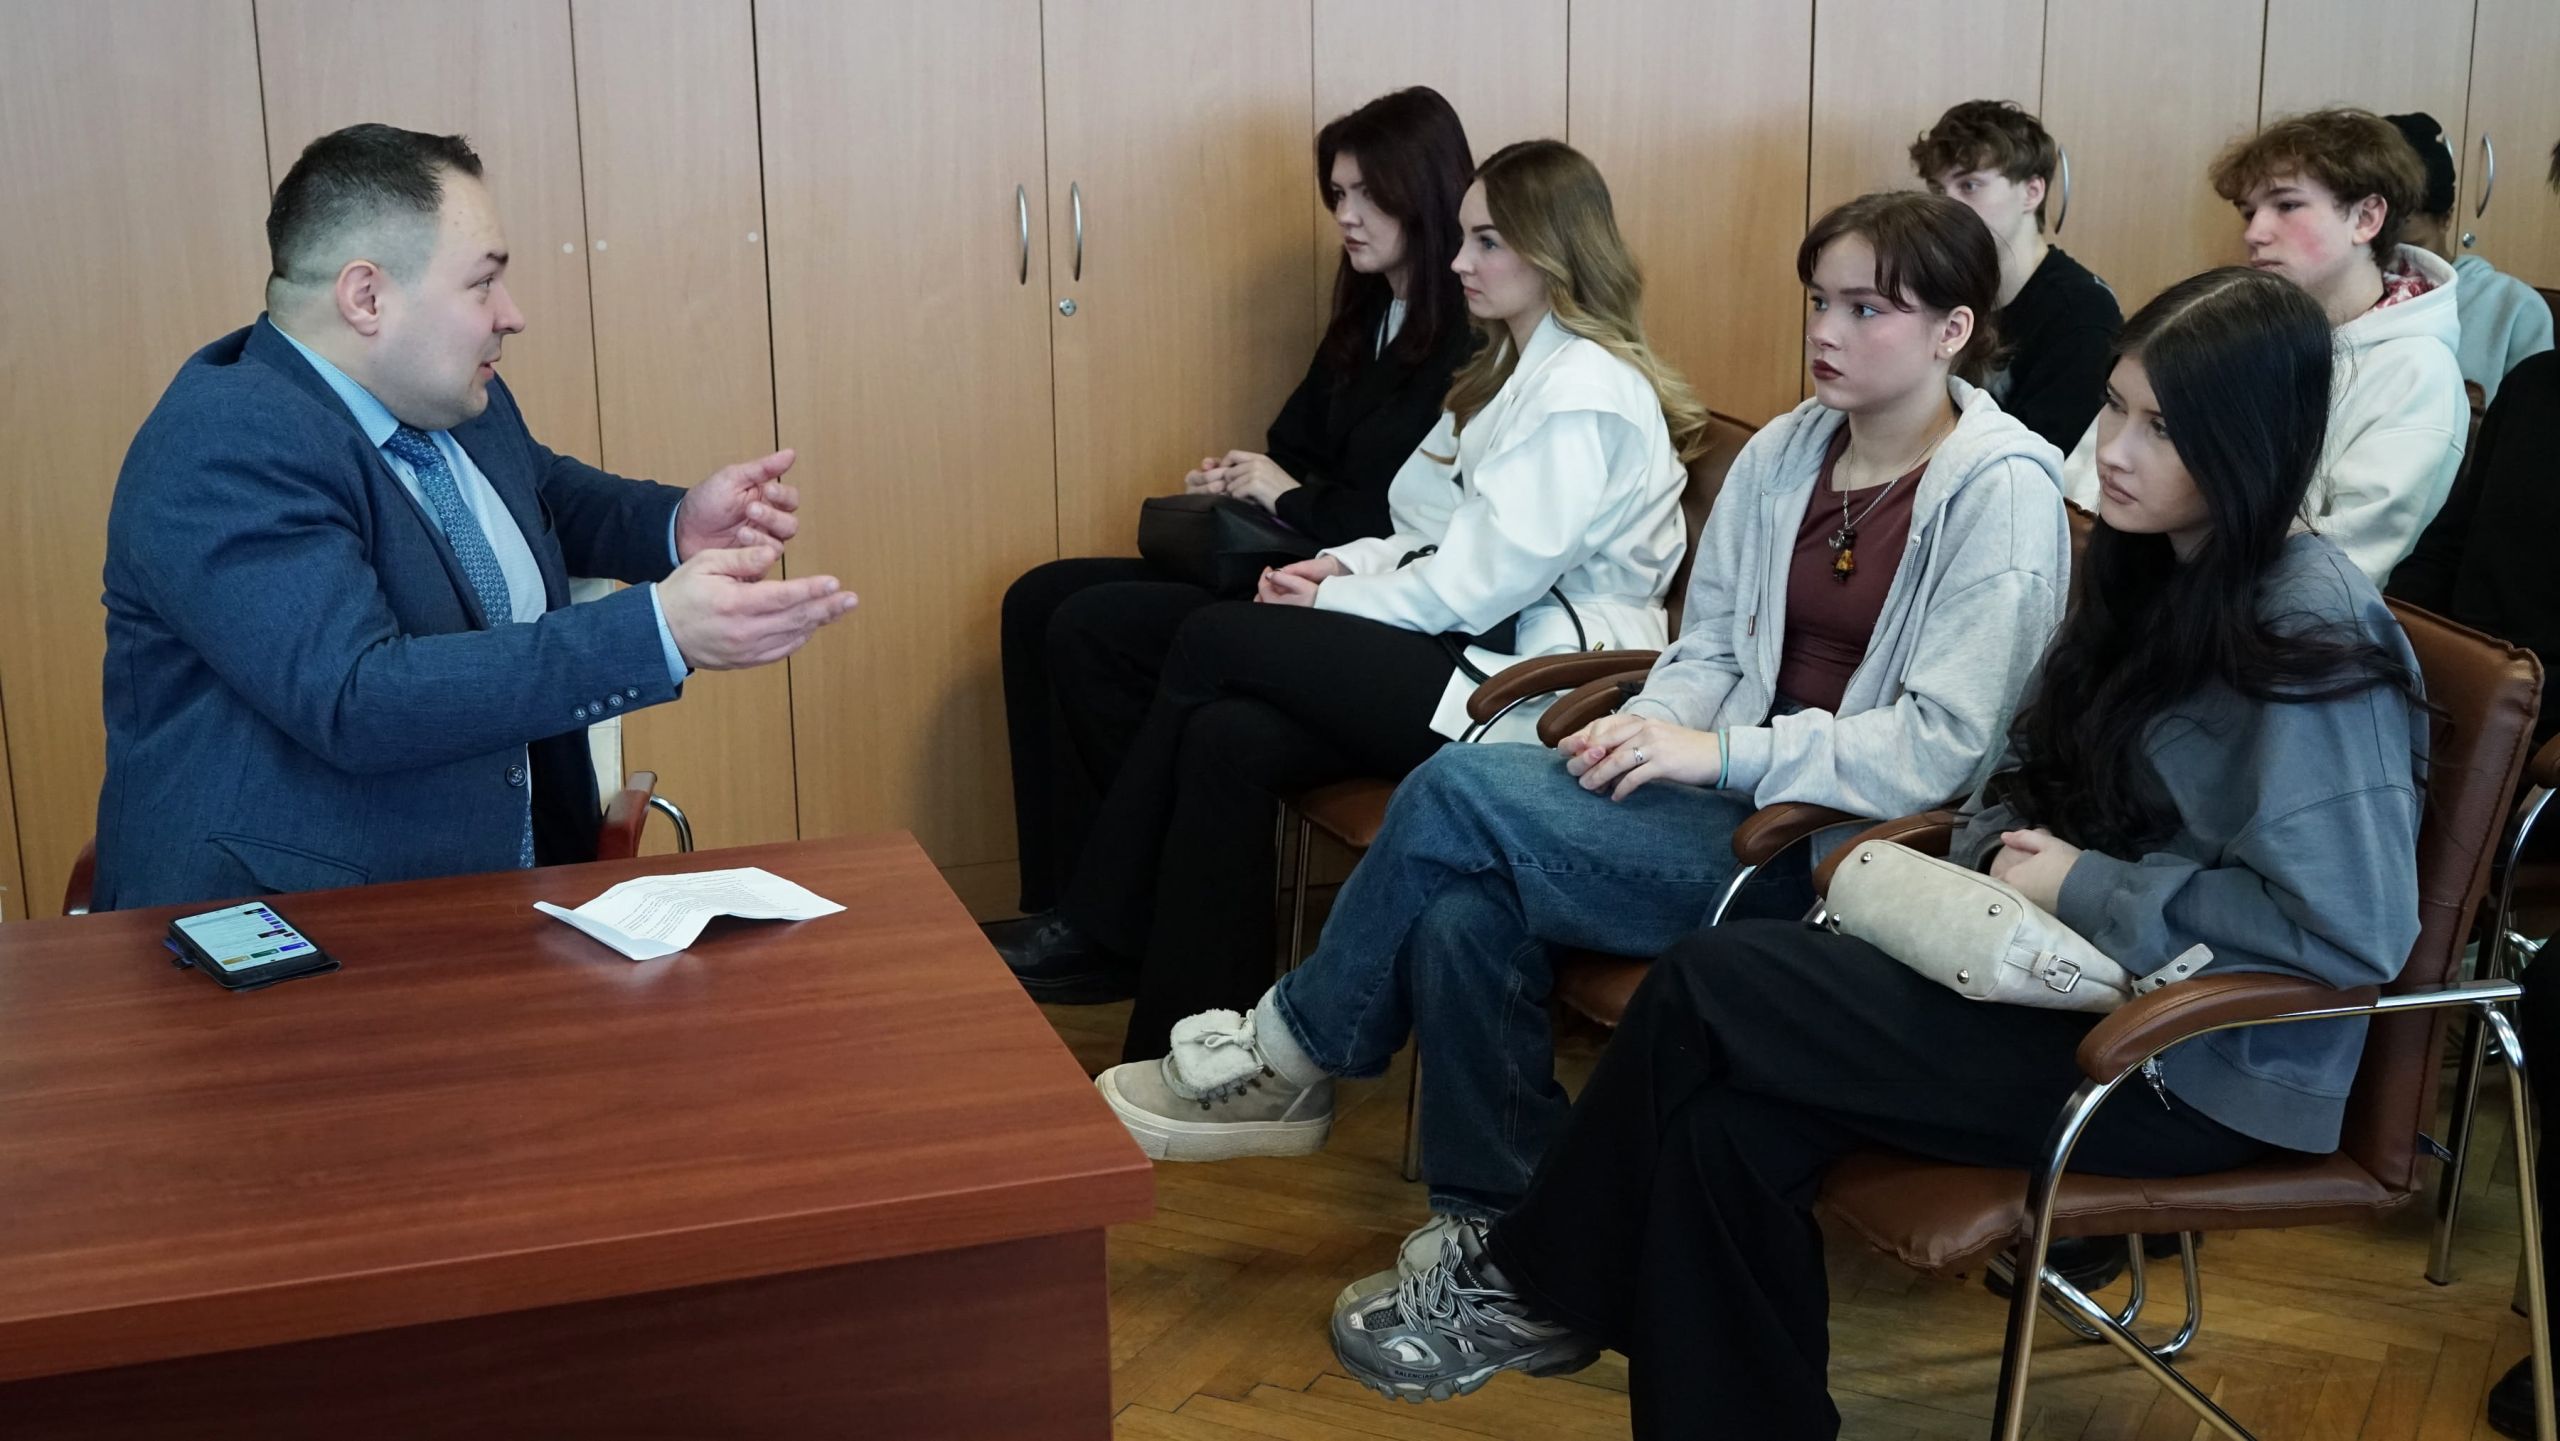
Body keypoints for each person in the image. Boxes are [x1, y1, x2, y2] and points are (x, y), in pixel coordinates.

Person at [1315, 266, 2430, 1437]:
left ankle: (1536, 1284)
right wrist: (2013, 854)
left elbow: (2346, 932)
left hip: (2181, 1064)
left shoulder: (2312, 633)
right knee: (1724, 1136)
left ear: (2249, 446)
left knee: (1710, 982)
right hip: (2048, 978)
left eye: (2162, 428)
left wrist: (2081, 883)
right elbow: (2020, 767)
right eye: (2114, 406)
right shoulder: (2148, 567)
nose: (2112, 449)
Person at [1091, 190, 2071, 1282]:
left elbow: (1944, 747)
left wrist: (1718, 754)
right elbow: (1708, 649)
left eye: (1865, 309)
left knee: (1458, 791)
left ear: (1952, 331)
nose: (1825, 332)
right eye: (1817, 301)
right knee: (1461, 910)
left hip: (1846, 853)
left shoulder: (2000, 491)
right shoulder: (1789, 451)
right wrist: (1651, 725)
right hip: (1724, 802)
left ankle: (1295, 1050)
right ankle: (1505, 1228)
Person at [1028, 139, 1704, 1063]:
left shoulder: (1582, 391)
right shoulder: (1507, 370)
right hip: (1462, 644)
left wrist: (1330, 607)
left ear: (1554, 252)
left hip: (1529, 687)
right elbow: (1421, 523)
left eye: (1487, 242)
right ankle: (1188, 1041)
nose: (1458, 262)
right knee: (1229, 733)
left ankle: (1105, 920)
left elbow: (1480, 582)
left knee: (1215, 640)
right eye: (1462, 238)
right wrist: (1336, 568)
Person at [93, 124, 854, 910]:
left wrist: (673, 525)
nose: (512, 314)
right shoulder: (225, 444)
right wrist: (655, 632)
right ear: (367, 297)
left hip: (508, 894)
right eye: (483, 282)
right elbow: (357, 696)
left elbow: (538, 491)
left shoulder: (448, 388)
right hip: (300, 926)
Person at [994, 87, 1477, 983]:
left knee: (1094, 627)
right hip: (1293, 552)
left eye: (1367, 194)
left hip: (1349, 586)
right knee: (1039, 598)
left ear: (1425, 192)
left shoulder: (1471, 345)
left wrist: (1287, 495)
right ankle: (1070, 898)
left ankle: (1108, 922)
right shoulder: (1369, 309)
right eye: (1337, 194)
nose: (1346, 215)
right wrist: (1240, 480)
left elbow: (1409, 525)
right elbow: (1299, 447)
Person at [2062, 107, 2466, 585]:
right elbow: (2080, 494)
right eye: (2249, 212)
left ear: (2366, 217)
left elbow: (2341, 569)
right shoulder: (2224, 327)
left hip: (2251, 615)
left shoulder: (2417, 371)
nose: (2254, 234)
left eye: (2287, 206)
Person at [1910, 99, 2121, 450]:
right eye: (1937, 190)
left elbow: (2040, 460)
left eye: (1969, 185)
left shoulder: (2083, 312)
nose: (1945, 207)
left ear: (2032, 192)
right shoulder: (1943, 290)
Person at [2382, 111, 2553, 406]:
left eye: (2411, 248)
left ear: (2446, 218)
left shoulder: (2515, 306)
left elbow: (2532, 420)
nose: (2397, 267)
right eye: (2378, 249)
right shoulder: (2352, 295)